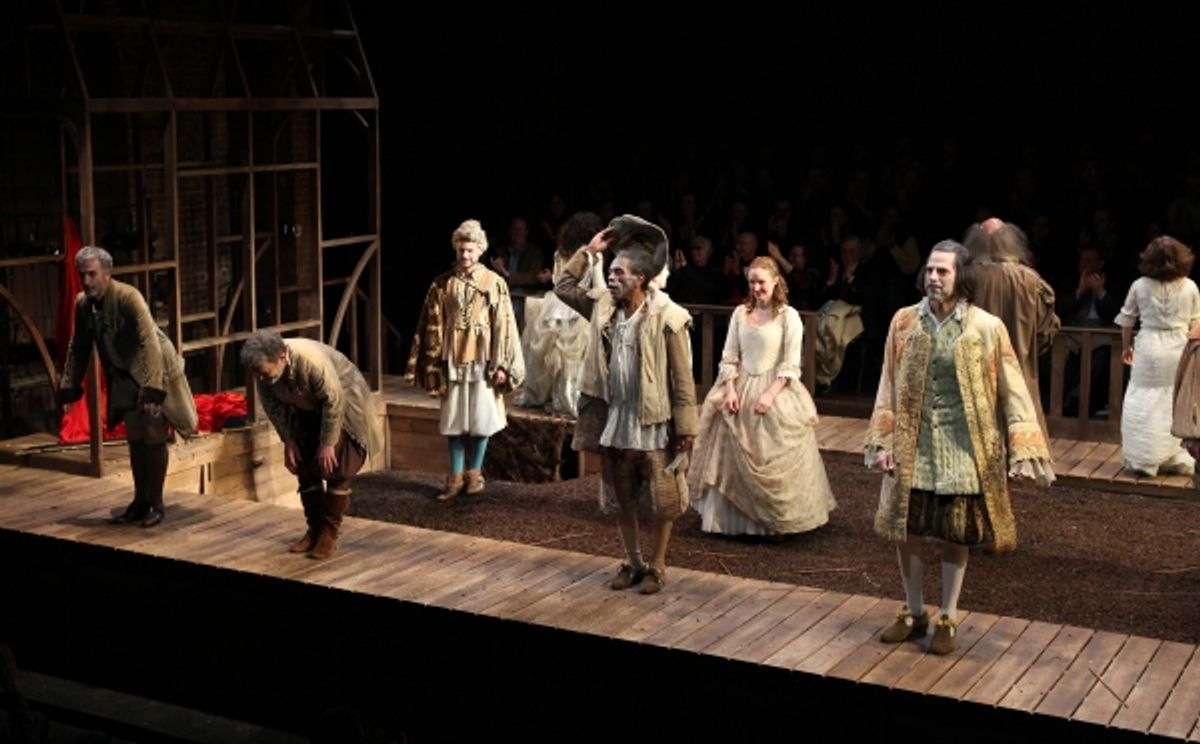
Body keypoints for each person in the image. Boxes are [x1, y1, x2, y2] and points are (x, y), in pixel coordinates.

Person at [865, 240, 1053, 655]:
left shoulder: (985, 327)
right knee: (907, 527)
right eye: (930, 270)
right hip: (914, 441)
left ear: (960, 277)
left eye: (942, 272)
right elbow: (888, 383)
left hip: (963, 444)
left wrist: (1023, 445)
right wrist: (883, 439)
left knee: (956, 531)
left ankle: (947, 614)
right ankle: (915, 612)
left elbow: (1012, 387)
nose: (933, 277)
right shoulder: (903, 322)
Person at [555, 215, 697, 595]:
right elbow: (563, 287)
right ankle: (633, 562)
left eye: (620, 272)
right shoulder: (603, 307)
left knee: (663, 499)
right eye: (611, 271)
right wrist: (590, 253)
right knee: (621, 496)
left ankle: (659, 565)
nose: (612, 277)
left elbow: (682, 381)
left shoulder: (669, 318)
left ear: (641, 279)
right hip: (616, 418)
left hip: (652, 420)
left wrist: (686, 429)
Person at [689, 256, 835, 536]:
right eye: (752, 282)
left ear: (776, 281)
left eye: (761, 282)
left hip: (775, 387)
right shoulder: (740, 314)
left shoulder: (788, 316)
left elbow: (791, 363)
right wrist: (730, 388)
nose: (756, 287)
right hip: (740, 384)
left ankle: (775, 521)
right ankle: (733, 521)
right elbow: (730, 355)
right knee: (728, 445)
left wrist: (770, 394)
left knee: (773, 447)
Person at [59, 246, 198, 528]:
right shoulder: (83, 304)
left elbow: (149, 344)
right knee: (135, 434)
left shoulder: (128, 297)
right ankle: (140, 500)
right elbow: (79, 345)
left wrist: (152, 390)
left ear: (107, 274)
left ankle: (156, 504)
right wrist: (69, 384)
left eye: (92, 274)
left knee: (152, 431)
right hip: (123, 373)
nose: (87, 282)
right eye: (82, 275)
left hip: (153, 368)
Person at [406, 219, 524, 500]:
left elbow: (504, 326)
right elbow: (431, 322)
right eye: (461, 250)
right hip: (453, 358)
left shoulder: (493, 283)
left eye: (470, 250)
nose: (465, 256)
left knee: (482, 418)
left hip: (483, 359)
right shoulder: (443, 283)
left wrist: (502, 365)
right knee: (455, 420)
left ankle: (475, 473)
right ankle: (455, 477)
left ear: (480, 250)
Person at [241, 330, 384, 559]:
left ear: (281, 357)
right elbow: (274, 409)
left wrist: (327, 443)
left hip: (344, 404)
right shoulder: (264, 374)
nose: (263, 379)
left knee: (337, 464)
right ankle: (314, 529)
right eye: (259, 374)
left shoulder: (310, 362)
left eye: (266, 373)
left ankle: (329, 533)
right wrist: (288, 440)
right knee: (303, 461)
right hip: (306, 407)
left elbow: (333, 401)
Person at [966, 218, 1060, 436]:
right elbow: (1046, 330)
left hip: (975, 371)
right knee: (1021, 437)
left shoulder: (965, 278)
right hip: (1019, 370)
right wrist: (1025, 350)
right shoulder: (1030, 280)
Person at [1116, 236, 1200, 476]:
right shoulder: (1190, 286)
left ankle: (1145, 457)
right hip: (1178, 346)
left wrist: (1125, 347)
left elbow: (1127, 320)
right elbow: (1197, 324)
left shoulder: (1139, 285)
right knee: (1175, 399)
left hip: (1149, 346)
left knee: (1143, 398)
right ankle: (1175, 456)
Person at [512, 211, 604, 416]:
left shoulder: (560, 252)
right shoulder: (593, 256)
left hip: (555, 306)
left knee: (553, 358)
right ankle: (569, 400)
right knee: (571, 359)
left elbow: (557, 281)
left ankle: (551, 396)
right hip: (578, 306)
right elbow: (598, 286)